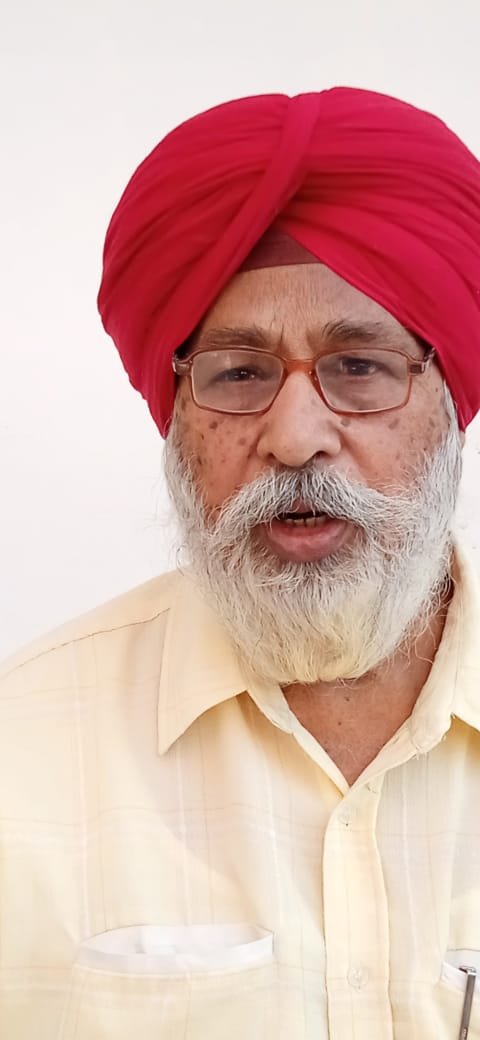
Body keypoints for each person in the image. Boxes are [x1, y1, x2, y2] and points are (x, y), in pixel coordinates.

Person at [1, 88, 480, 1040]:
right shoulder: (20, 754)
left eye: (361, 367)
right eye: (239, 373)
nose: (296, 438)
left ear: (451, 401)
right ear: (176, 415)